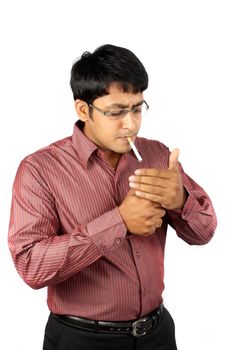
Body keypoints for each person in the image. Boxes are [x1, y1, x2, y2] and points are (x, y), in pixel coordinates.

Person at [8, 44, 217, 350]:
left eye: (137, 108)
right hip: (80, 340)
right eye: (116, 111)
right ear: (83, 109)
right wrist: (118, 221)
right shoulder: (39, 170)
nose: (130, 123)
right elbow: (30, 265)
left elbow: (205, 233)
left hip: (157, 335)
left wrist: (180, 201)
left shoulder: (157, 155)